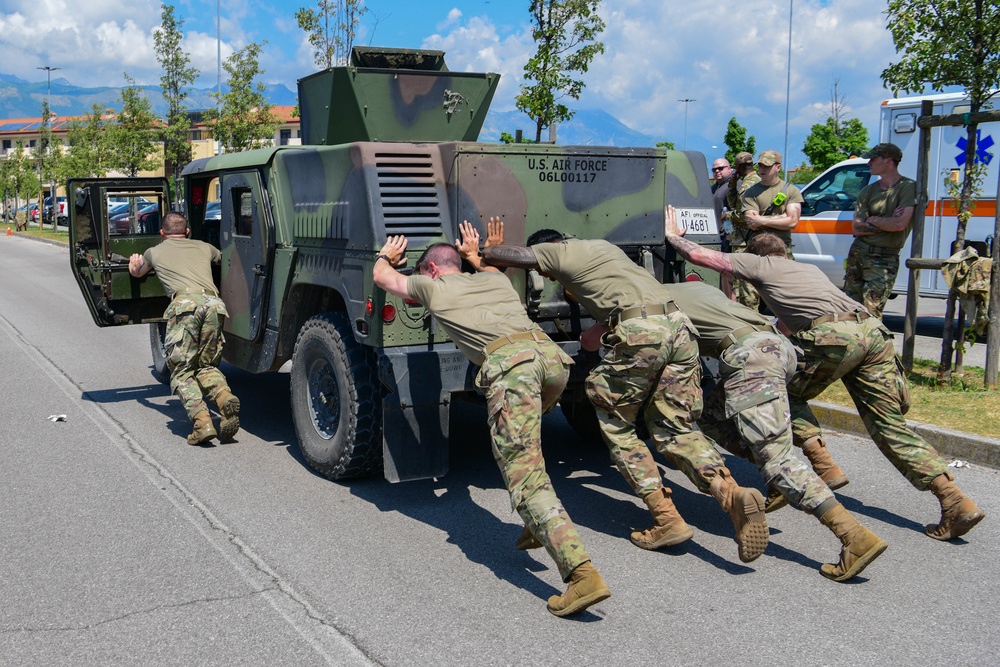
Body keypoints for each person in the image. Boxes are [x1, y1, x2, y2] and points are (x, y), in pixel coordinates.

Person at [662, 211, 986, 543]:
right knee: (888, 425)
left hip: (832, 337)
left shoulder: (761, 265)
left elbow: (700, 256)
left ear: (755, 257)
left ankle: (820, 463)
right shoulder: (807, 270)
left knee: (773, 390)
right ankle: (953, 498)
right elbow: (789, 326)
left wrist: (673, 235)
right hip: (871, 332)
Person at [483, 227, 771, 565]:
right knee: (674, 427)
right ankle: (731, 493)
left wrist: (488, 251)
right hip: (679, 327)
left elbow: (520, 257)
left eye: (543, 269)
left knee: (617, 425)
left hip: (640, 331)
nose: (544, 274)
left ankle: (667, 519)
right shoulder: (602, 249)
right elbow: (609, 320)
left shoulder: (557, 250)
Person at [372, 220, 610, 618]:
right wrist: (474, 254)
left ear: (430, 269)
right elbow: (490, 266)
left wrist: (388, 255)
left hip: (512, 369)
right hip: (553, 363)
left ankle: (581, 575)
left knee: (525, 475)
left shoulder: (432, 286)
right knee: (527, 448)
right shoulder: (494, 281)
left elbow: (383, 277)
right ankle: (538, 524)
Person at [662, 277, 888, 581]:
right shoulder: (694, 288)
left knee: (778, 459)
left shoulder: (655, 300)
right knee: (710, 415)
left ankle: (854, 537)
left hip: (752, 359)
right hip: (780, 348)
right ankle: (778, 480)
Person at [128, 212, 240, 446]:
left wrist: (133, 264)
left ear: (162, 233)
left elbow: (138, 272)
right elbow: (223, 260)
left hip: (185, 307)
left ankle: (202, 423)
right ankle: (223, 396)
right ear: (187, 232)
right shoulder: (205, 247)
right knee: (206, 364)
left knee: (181, 370)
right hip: (214, 306)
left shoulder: (154, 252)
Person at [844, 142, 917, 318]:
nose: (869, 163)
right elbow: (857, 227)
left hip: (884, 258)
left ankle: (872, 346)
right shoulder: (867, 191)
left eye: (873, 159)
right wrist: (886, 222)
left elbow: (900, 225)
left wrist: (871, 219)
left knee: (871, 312)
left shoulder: (908, 187)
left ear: (888, 161)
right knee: (848, 309)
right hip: (858, 253)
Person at [724, 151, 762, 307]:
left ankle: (750, 314)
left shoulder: (750, 184)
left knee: (746, 284)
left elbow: (745, 213)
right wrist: (733, 183)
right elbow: (734, 202)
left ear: (739, 167)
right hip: (743, 238)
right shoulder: (749, 181)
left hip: (745, 239)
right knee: (741, 283)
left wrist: (728, 216)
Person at [711, 157, 733, 232]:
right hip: (714, 233)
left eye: (720, 168)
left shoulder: (734, 185)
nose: (717, 171)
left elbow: (738, 212)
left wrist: (730, 233)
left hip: (728, 235)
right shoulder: (713, 188)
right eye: (714, 170)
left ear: (729, 169)